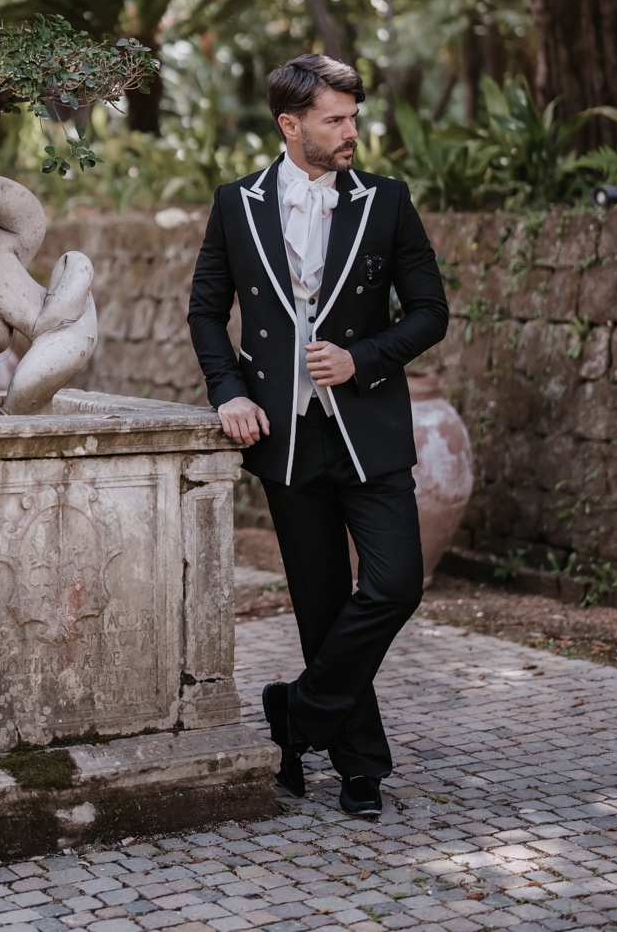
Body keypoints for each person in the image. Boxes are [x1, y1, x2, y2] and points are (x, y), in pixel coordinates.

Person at [187, 53, 449, 817]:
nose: (350, 133)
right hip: (284, 435)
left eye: (353, 118)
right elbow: (206, 310)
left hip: (365, 428)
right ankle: (360, 765)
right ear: (289, 123)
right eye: (335, 119)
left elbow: (429, 310)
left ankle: (293, 714)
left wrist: (361, 357)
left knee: (395, 583)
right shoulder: (236, 204)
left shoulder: (385, 202)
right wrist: (227, 390)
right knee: (321, 604)